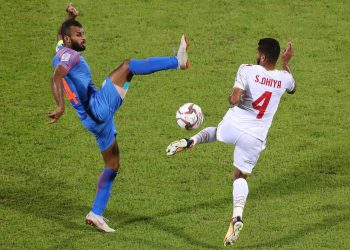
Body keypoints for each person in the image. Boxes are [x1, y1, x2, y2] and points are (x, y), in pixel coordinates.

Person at [49, 3, 189, 232]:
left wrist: (69, 17)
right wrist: (59, 105)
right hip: (97, 108)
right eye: (78, 35)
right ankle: (178, 62)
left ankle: (96, 213)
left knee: (112, 165)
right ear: (68, 39)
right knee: (127, 66)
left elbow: (60, 40)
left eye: (83, 33)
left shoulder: (60, 49)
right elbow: (57, 77)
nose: (84, 38)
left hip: (91, 120)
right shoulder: (71, 58)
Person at [166, 38, 295, 245]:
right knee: (240, 176)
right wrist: (286, 62)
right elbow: (293, 88)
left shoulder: (247, 69)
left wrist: (235, 98)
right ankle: (236, 217)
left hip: (234, 124)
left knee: (216, 132)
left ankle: (191, 141)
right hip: (254, 137)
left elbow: (234, 99)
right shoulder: (284, 78)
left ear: (262, 57)